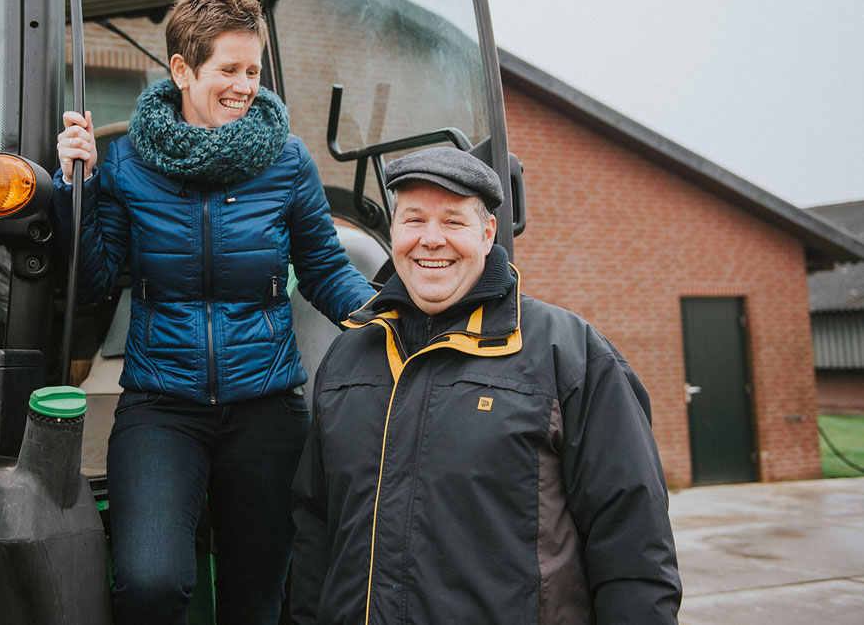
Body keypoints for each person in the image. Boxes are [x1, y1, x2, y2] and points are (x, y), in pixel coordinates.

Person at [54, 0, 373, 625]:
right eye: (229, 69)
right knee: (151, 583)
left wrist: (391, 317)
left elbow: (325, 270)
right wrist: (74, 186)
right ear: (182, 69)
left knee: (256, 602)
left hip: (267, 412)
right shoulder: (128, 162)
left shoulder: (287, 160)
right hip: (161, 407)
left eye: (252, 71)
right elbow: (92, 282)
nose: (244, 86)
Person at [289, 146, 682, 625]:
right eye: (414, 220)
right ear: (394, 231)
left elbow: (633, 544)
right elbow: (314, 534)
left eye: (453, 222)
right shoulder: (348, 357)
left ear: (488, 232)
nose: (431, 240)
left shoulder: (570, 356)